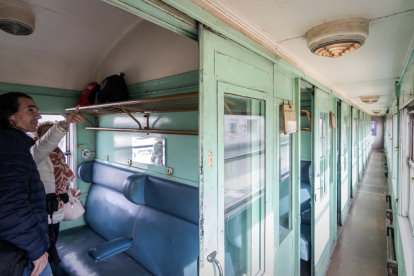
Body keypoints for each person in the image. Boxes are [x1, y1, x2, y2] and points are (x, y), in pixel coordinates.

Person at [0, 92, 83, 276]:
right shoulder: (11, 143)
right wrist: (36, 249)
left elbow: (42, 148)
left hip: (32, 229)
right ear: (10, 115)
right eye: (30, 110)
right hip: (23, 248)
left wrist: (64, 124)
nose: (38, 115)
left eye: (38, 111)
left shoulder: (17, 145)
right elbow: (9, 205)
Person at [32, 121, 81, 244]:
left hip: (58, 207)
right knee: (42, 243)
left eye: (52, 133)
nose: (50, 136)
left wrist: (69, 191)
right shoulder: (36, 155)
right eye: (46, 133)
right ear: (37, 137)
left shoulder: (59, 154)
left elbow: (59, 180)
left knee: (53, 240)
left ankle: (51, 260)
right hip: (43, 207)